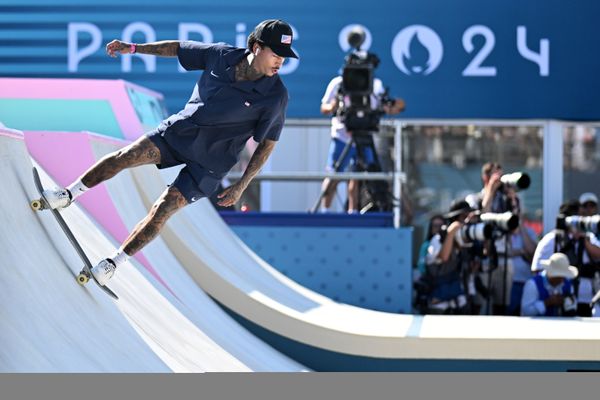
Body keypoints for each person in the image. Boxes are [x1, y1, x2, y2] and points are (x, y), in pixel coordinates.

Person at [41, 19, 298, 285]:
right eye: (276, 54)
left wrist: (242, 185)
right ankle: (68, 194)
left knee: (162, 209)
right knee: (125, 156)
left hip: (210, 163)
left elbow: (267, 144)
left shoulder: (276, 96)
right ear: (256, 47)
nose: (280, 62)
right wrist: (133, 48)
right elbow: (177, 48)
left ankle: (112, 263)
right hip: (180, 132)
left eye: (285, 58)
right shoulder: (221, 55)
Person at [317, 67, 404, 213]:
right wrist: (333, 106)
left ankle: (353, 211)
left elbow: (388, 106)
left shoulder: (375, 85)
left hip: (364, 135)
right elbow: (324, 108)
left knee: (359, 174)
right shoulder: (338, 83)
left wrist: (391, 106)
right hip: (341, 137)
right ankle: (325, 211)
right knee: (333, 175)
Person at [531, 200, 600, 316]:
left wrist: (584, 240)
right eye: (579, 217)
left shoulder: (588, 237)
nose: (582, 220)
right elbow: (537, 269)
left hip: (587, 299)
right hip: (560, 299)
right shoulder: (553, 239)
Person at [422, 200, 475, 314]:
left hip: (459, 297)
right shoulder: (438, 239)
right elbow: (444, 257)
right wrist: (451, 233)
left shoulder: (467, 238)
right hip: (438, 297)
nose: (464, 222)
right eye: (463, 217)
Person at [521, 252, 578, 317]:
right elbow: (526, 311)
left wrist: (565, 302)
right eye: (559, 276)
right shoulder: (533, 284)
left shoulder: (567, 283)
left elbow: (573, 308)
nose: (562, 280)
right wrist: (547, 303)